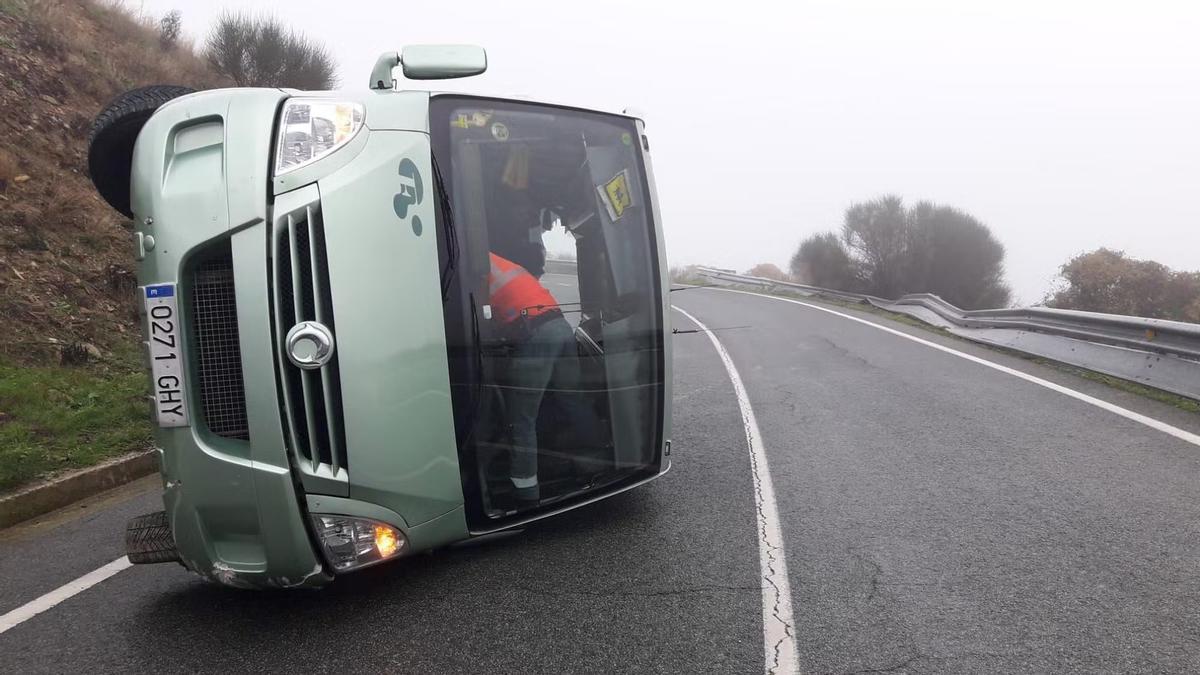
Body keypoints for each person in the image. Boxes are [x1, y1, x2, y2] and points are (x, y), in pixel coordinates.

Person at [488, 252, 575, 505]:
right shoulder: (500, 261)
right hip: (560, 325)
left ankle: (526, 494)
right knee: (574, 401)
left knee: (521, 418)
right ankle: (592, 462)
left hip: (538, 334)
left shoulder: (473, 265)